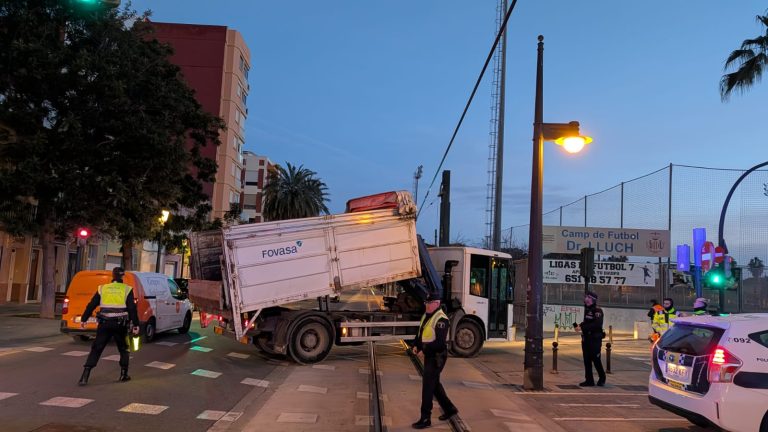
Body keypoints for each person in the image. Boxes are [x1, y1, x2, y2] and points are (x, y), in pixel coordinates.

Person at [77, 267, 140, 386]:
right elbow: (132, 308)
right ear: (122, 276)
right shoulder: (127, 289)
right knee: (123, 348)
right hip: (120, 324)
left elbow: (91, 305)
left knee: (96, 348)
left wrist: (84, 319)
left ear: (113, 276)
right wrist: (136, 324)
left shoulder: (102, 288)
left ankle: (84, 376)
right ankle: (123, 374)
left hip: (104, 323)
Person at [411, 295, 458, 429]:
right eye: (426, 302)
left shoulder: (441, 319)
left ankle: (425, 418)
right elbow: (420, 333)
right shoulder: (427, 315)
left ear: (437, 303)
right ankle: (450, 409)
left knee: (428, 386)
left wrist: (424, 350)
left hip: (437, 357)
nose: (426, 304)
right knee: (434, 385)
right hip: (430, 355)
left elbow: (439, 343)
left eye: (429, 302)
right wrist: (416, 345)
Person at [574, 291, 606, 387]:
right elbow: (587, 322)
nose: (586, 299)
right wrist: (580, 325)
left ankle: (602, 378)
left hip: (594, 339)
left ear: (592, 299)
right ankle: (589, 380)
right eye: (586, 297)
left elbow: (597, 324)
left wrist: (583, 327)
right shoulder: (588, 310)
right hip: (586, 339)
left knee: (596, 359)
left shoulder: (597, 310)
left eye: (588, 297)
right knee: (587, 360)